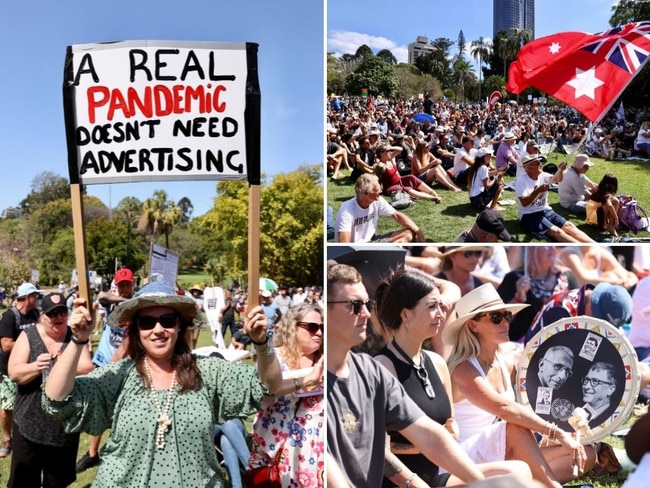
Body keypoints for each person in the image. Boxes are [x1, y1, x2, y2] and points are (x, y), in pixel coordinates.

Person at [43, 280, 283, 488]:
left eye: (167, 320)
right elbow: (56, 399)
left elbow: (268, 388)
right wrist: (77, 340)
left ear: (179, 326)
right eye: (147, 322)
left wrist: (262, 344)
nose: (158, 329)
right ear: (137, 329)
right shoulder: (119, 375)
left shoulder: (208, 371)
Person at [326, 263, 487, 487]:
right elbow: (383, 451)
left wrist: (482, 483)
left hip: (428, 476)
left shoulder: (369, 371)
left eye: (367, 304)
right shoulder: (373, 368)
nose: (365, 313)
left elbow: (430, 435)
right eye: (354, 305)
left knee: (516, 473)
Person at [373, 268, 532, 487]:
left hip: (439, 476)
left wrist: (450, 438)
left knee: (519, 471)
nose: (441, 313)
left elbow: (451, 428)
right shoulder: (381, 367)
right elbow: (377, 448)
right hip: (403, 483)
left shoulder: (437, 363)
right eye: (432, 307)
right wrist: (426, 446)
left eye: (441, 305)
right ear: (405, 314)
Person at [444, 284, 594, 486]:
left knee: (588, 452)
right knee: (514, 427)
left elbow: (532, 399)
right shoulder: (462, 370)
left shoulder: (505, 361)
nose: (505, 322)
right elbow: (506, 410)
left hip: (497, 449)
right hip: (466, 459)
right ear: (473, 326)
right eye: (496, 317)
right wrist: (555, 431)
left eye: (506, 315)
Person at [7, 292, 94, 487]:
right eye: (52, 313)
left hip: (64, 429)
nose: (58, 317)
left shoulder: (75, 336)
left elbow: (87, 366)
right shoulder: (29, 335)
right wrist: (35, 366)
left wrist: (59, 363)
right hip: (28, 425)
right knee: (23, 482)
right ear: (41, 315)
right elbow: (14, 372)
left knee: (56, 483)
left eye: (62, 312)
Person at [249, 303, 325, 487]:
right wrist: (306, 380)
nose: (320, 333)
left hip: (318, 461)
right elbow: (263, 395)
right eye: (312, 327)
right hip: (277, 457)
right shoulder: (273, 359)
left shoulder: (326, 360)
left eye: (322, 328)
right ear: (293, 327)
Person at [76, 267, 136, 474]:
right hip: (103, 362)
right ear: (117, 286)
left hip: (124, 363)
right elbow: (101, 295)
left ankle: (121, 451)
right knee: (99, 407)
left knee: (122, 410)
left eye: (128, 284)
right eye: (122, 285)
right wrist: (123, 300)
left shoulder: (138, 305)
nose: (125, 288)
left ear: (133, 284)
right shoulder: (112, 301)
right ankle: (92, 454)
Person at [497, 246, 578, 342]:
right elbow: (498, 321)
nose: (552, 249)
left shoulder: (566, 277)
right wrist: (518, 298)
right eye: (546, 247)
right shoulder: (514, 279)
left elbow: (579, 309)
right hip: (521, 345)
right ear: (531, 251)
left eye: (554, 246)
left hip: (561, 342)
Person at [0, 282, 41, 459]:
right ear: (26, 297)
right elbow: (6, 345)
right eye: (35, 295)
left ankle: (28, 436)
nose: (37, 298)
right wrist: (29, 342)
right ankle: (7, 439)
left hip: (31, 368)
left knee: (31, 403)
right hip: (9, 370)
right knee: (8, 407)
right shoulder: (10, 317)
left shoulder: (35, 314)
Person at [516, 155, 594, 242]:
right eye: (538, 163)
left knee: (569, 226)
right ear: (531, 168)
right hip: (529, 214)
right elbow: (524, 202)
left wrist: (560, 170)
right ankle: (585, 249)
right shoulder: (521, 181)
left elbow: (558, 179)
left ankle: (596, 246)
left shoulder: (543, 175)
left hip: (545, 210)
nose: (541, 164)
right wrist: (538, 190)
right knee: (557, 232)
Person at [525, 282, 633, 343]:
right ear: (592, 306)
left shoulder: (586, 304)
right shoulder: (562, 312)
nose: (600, 329)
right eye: (600, 320)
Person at [334, 173, 425, 243]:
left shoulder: (377, 201)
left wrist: (418, 230)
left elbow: (396, 215)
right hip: (357, 247)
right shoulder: (346, 210)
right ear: (366, 193)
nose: (381, 191)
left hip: (372, 240)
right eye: (377, 190)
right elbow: (344, 243)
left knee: (409, 233)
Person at [374, 143, 442, 203]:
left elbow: (400, 149)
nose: (390, 152)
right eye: (388, 151)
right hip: (391, 187)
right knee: (407, 189)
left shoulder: (389, 159)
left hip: (399, 180)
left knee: (411, 177)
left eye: (390, 151)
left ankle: (434, 193)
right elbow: (377, 180)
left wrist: (390, 148)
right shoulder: (380, 165)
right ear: (381, 153)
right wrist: (378, 191)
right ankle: (434, 198)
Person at [557, 246, 638, 290]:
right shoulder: (569, 254)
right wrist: (618, 283)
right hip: (576, 302)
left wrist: (629, 281)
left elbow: (627, 275)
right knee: (611, 276)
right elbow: (583, 280)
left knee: (611, 275)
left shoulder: (600, 252)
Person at [467, 147, 504, 212]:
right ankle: (493, 207)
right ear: (484, 157)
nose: (490, 157)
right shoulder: (483, 168)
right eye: (489, 155)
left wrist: (498, 170)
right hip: (478, 202)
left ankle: (492, 205)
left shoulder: (477, 166)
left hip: (474, 200)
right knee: (500, 184)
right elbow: (487, 186)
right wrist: (496, 178)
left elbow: (487, 174)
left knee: (497, 183)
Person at [580, 362, 617, 426]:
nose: (586, 386)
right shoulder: (577, 410)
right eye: (586, 380)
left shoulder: (611, 420)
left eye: (595, 381)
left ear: (610, 389)